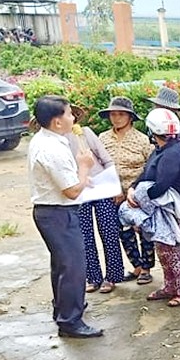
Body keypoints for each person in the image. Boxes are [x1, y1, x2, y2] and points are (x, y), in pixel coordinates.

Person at [27, 95, 103, 339]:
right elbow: (71, 191)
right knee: (72, 267)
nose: (73, 118)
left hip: (52, 211)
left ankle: (63, 309)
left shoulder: (46, 140)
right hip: (57, 212)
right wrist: (84, 167)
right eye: (69, 114)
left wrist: (81, 178)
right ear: (57, 121)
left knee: (62, 264)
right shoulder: (51, 149)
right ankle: (70, 321)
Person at [127, 109, 180, 308]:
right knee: (164, 251)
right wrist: (133, 187)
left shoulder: (171, 154)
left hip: (172, 212)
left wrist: (139, 198)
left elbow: (161, 185)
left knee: (174, 253)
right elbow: (146, 174)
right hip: (160, 211)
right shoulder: (160, 150)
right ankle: (170, 286)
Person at [98, 96, 155, 285]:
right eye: (113, 114)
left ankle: (146, 267)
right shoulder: (103, 138)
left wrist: (136, 190)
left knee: (143, 230)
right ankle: (136, 265)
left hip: (137, 193)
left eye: (121, 114)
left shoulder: (142, 140)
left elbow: (150, 167)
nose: (116, 118)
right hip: (112, 193)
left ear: (130, 117)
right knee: (123, 232)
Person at [69, 107, 124, 294]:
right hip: (79, 189)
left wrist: (115, 186)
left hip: (101, 186)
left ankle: (112, 276)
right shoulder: (58, 141)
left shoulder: (85, 133)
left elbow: (106, 159)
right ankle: (93, 277)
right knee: (84, 235)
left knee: (109, 231)